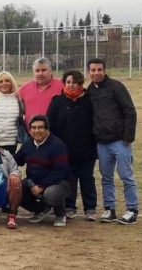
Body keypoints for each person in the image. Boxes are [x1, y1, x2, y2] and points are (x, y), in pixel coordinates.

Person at [86, 58, 139, 225]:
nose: (96, 73)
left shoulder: (117, 87)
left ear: (104, 70)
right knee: (106, 177)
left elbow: (130, 111)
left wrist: (128, 137)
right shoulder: (90, 90)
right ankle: (110, 208)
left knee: (126, 176)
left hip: (120, 141)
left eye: (99, 69)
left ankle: (132, 209)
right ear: (89, 72)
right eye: (93, 70)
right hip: (102, 142)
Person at [47, 70, 97, 221]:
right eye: (68, 82)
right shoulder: (57, 101)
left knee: (87, 178)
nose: (71, 85)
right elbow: (50, 124)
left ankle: (90, 208)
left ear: (81, 84)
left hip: (86, 149)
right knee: (70, 178)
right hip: (65, 150)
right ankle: (70, 206)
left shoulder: (89, 100)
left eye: (75, 82)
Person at [15, 115, 71, 227]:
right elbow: (17, 160)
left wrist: (41, 186)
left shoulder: (57, 145)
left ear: (47, 129)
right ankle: (41, 209)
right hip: (33, 182)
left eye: (40, 127)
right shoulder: (27, 143)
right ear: (29, 130)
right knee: (15, 189)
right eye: (33, 128)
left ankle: (60, 214)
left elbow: (60, 171)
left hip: (58, 183)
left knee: (51, 193)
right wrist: (4, 156)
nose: (36, 131)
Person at [19, 57, 64, 130]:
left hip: (56, 133)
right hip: (32, 134)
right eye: (37, 71)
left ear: (50, 70)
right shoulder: (24, 89)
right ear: (33, 72)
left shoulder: (63, 86)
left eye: (43, 70)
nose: (40, 73)